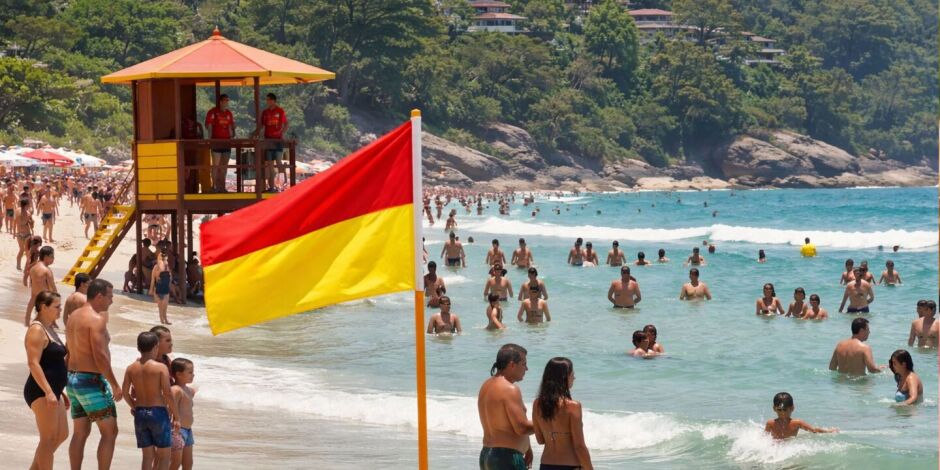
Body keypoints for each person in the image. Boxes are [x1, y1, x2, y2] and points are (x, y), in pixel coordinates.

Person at [66, 279, 122, 470]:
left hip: (72, 379)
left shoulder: (73, 316)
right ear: (99, 296)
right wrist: (114, 384)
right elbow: (99, 355)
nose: (111, 301)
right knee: (110, 432)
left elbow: (70, 349)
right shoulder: (96, 319)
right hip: (90, 381)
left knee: (80, 432)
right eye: (110, 297)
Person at [24, 291, 69, 470]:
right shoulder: (36, 329)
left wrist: (59, 391)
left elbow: (55, 362)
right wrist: (49, 391)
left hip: (53, 390)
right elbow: (33, 363)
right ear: (43, 307)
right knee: (48, 439)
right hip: (40, 390)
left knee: (61, 435)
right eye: (57, 306)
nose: (60, 310)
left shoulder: (49, 328)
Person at [122, 331, 180, 470]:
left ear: (138, 348)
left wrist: (135, 406)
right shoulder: (161, 367)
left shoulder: (131, 368)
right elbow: (167, 393)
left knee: (147, 456)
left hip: (141, 414)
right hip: (158, 412)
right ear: (156, 347)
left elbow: (125, 393)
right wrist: (176, 416)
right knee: (164, 455)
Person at [478, 344, 534, 470]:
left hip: (487, 455)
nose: (527, 368)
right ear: (512, 365)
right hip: (506, 458)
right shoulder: (510, 389)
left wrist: (527, 447)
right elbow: (522, 428)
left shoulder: (486, 386)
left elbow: (503, 423)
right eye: (524, 364)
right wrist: (547, 421)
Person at [532, 358, 593, 470]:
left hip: (546, 464)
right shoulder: (573, 406)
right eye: (572, 373)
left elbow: (540, 440)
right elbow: (579, 446)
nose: (574, 377)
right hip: (570, 465)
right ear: (564, 377)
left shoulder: (537, 404)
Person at [764, 392, 836, 439]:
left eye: (785, 410)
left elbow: (813, 430)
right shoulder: (770, 423)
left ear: (792, 408)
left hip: (789, 449)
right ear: (774, 408)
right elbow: (764, 438)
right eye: (779, 410)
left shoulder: (796, 423)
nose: (782, 413)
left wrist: (829, 431)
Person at [206, 94, 236, 193]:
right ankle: (214, 186)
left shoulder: (229, 113)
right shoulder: (213, 112)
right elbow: (209, 125)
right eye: (225, 100)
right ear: (220, 101)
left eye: (227, 100)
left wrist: (232, 135)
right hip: (216, 142)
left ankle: (222, 187)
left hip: (226, 143)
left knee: (224, 167)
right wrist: (210, 138)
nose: (226, 102)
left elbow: (231, 126)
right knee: (215, 165)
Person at [170, 358, 196, 470]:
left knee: (188, 464)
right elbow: (170, 409)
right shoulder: (176, 390)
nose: (193, 375)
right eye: (190, 372)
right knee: (175, 463)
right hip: (177, 431)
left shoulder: (189, 390)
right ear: (179, 374)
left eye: (193, 372)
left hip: (188, 431)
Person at [259, 93, 288, 192]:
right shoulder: (265, 112)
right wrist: (259, 135)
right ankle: (271, 186)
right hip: (268, 140)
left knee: (278, 161)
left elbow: (286, 124)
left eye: (268, 100)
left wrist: (281, 133)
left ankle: (284, 180)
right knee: (270, 164)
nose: (267, 101)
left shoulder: (280, 111)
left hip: (278, 140)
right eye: (266, 100)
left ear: (273, 101)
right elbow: (262, 126)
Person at [25, 246, 56, 326]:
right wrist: (56, 296)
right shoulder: (47, 270)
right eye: (52, 256)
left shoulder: (33, 268)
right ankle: (52, 323)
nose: (53, 259)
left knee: (31, 304)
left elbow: (32, 282)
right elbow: (52, 286)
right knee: (49, 309)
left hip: (35, 293)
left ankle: (27, 320)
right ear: (46, 257)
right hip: (44, 296)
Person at [150, 247, 172, 325]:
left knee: (164, 306)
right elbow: (153, 279)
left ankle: (164, 319)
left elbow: (169, 279)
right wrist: (151, 290)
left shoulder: (166, 267)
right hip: (159, 289)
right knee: (161, 307)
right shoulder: (156, 267)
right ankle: (162, 319)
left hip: (164, 289)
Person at [15, 198, 33, 269]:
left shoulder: (17, 210)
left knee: (21, 250)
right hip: (27, 234)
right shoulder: (28, 213)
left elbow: (15, 221)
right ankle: (27, 267)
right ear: (27, 205)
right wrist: (31, 222)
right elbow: (31, 226)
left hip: (19, 234)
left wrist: (13, 233)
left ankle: (18, 265)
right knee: (28, 252)